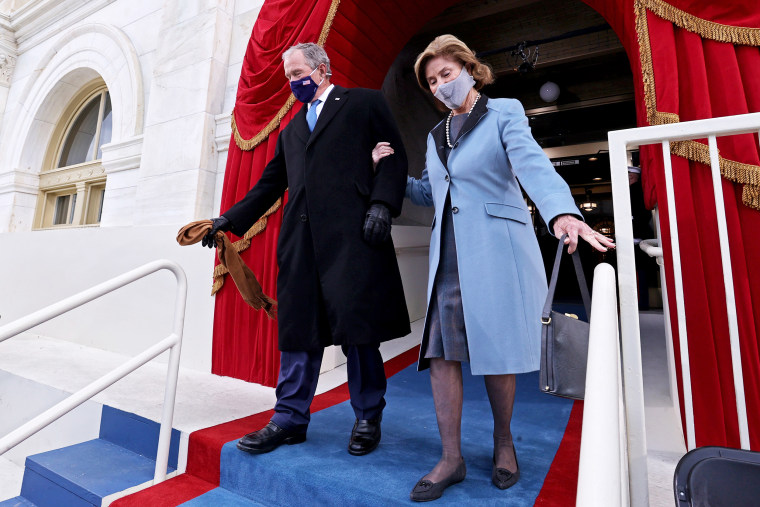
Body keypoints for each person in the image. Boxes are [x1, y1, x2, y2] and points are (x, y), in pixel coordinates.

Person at [375, 34, 615, 501]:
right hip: (448, 258)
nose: (440, 85)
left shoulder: (504, 112)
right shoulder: (434, 135)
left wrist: (562, 211)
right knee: (442, 355)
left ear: (469, 68)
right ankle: (451, 458)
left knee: (497, 349)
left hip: (495, 252)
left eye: (447, 73)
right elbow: (431, 193)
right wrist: (390, 174)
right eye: (432, 81)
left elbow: (531, 167)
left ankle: (504, 442)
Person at [202, 42, 410, 457]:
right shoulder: (291, 130)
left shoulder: (364, 103)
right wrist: (227, 220)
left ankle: (368, 414)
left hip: (353, 238)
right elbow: (268, 185)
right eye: (288, 77)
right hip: (300, 244)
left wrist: (382, 205)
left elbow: (394, 156)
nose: (293, 82)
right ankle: (289, 418)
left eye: (299, 73)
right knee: (299, 332)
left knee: (359, 332)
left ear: (322, 69)